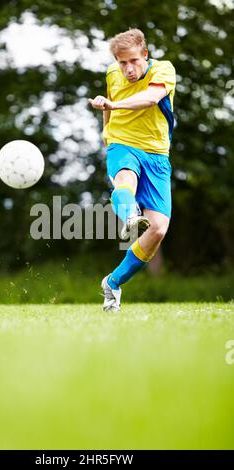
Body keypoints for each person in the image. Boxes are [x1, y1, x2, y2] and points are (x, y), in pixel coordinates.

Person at [88, 28, 176, 312]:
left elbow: (150, 99)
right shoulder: (112, 73)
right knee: (125, 179)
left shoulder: (163, 70)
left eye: (134, 61)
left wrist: (111, 103)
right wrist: (106, 131)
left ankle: (112, 282)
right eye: (122, 62)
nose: (128, 68)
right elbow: (110, 105)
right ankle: (130, 216)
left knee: (159, 229)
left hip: (157, 155)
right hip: (122, 145)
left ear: (145, 55)